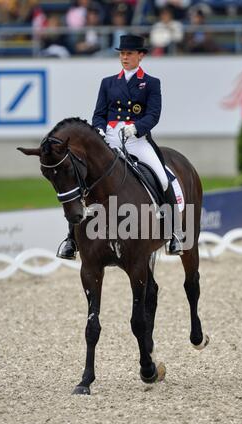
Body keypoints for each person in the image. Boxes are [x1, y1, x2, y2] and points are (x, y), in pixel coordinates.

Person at [57, 34, 184, 259]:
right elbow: (99, 114)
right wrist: (98, 129)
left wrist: (136, 128)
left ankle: (174, 233)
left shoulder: (151, 83)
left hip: (137, 139)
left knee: (163, 179)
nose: (124, 57)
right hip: (110, 139)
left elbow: (153, 115)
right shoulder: (108, 82)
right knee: (82, 178)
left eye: (129, 53)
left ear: (141, 56)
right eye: (122, 54)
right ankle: (71, 240)